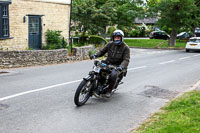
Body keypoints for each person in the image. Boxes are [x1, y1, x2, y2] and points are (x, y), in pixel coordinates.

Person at [90, 30, 130, 98]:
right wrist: (95, 55)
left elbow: (126, 59)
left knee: (113, 75)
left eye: (118, 37)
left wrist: (121, 66)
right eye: (115, 37)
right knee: (98, 68)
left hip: (118, 65)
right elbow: (102, 51)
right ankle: (98, 85)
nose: (116, 39)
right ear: (113, 38)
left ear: (121, 38)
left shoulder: (125, 48)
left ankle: (109, 91)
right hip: (108, 62)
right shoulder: (110, 44)